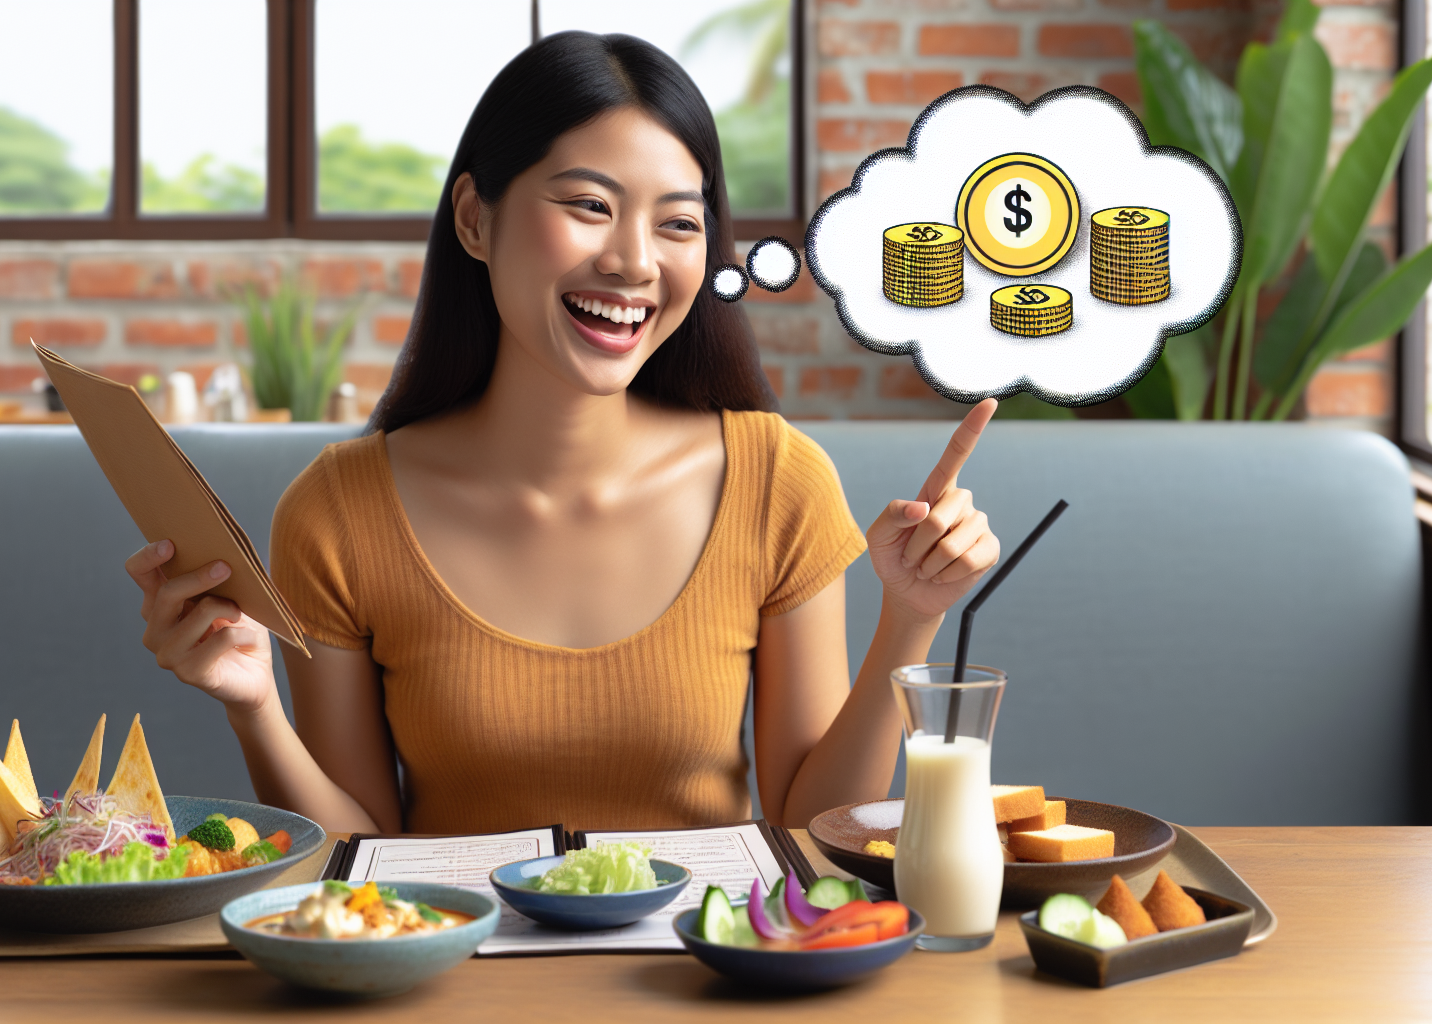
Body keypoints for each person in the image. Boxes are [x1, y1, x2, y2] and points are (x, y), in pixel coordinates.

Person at [126, 32, 999, 834]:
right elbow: (364, 867)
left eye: (680, 223)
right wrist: (253, 704)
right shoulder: (338, 511)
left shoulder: (778, 481)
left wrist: (909, 620)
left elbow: (816, 831)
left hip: (708, 981)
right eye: (590, 205)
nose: (636, 261)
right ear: (475, 218)